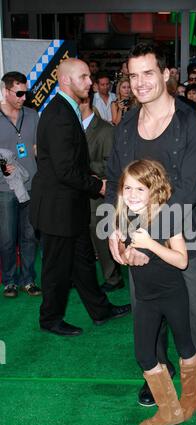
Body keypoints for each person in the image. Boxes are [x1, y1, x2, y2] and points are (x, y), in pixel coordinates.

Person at [106, 43, 196, 414]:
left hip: (183, 235)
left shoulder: (190, 122)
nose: (139, 83)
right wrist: (114, 231)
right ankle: (158, 373)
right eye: (133, 75)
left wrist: (145, 241)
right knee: (148, 310)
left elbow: (185, 192)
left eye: (147, 73)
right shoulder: (124, 129)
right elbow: (113, 183)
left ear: (167, 74)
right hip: (137, 237)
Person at [29, 58, 130, 336]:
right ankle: (50, 319)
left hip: (70, 206)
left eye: (89, 76)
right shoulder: (60, 114)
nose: (90, 82)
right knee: (55, 269)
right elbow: (65, 171)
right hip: (57, 209)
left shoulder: (66, 109)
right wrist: (98, 185)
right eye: (84, 77)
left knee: (83, 262)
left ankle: (100, 311)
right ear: (65, 81)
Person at [115, 159, 196, 425]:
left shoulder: (167, 217)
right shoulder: (125, 217)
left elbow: (182, 260)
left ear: (154, 190)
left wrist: (150, 244)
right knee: (144, 354)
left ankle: (190, 399)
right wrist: (129, 255)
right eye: (127, 188)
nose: (132, 195)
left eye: (140, 189)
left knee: (186, 347)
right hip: (146, 298)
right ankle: (170, 410)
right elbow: (131, 255)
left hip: (173, 294)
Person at [0, 71, 41, 298]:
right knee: (6, 239)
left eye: (25, 93)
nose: (23, 97)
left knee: (29, 236)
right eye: (18, 93)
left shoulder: (33, 115)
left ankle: (27, 280)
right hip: (4, 188)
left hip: (31, 185)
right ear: (6, 91)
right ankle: (9, 281)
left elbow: (38, 148)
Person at [79, 94, 124, 292]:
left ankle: (113, 277)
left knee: (101, 235)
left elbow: (110, 165)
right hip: (77, 192)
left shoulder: (106, 130)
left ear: (85, 102)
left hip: (99, 193)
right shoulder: (71, 128)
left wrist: (81, 166)